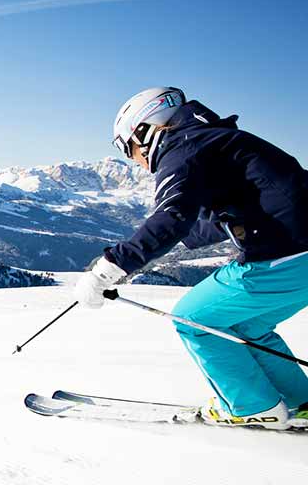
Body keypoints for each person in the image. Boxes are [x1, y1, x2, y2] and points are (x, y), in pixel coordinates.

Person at [74, 86, 308, 429]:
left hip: (286, 257)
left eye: (129, 148)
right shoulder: (214, 140)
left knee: (193, 320)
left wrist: (107, 270)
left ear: (145, 130)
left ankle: (250, 406)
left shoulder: (183, 149)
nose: (135, 159)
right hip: (297, 255)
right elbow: (236, 210)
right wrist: (170, 243)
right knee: (247, 326)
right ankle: (298, 400)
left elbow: (172, 217)